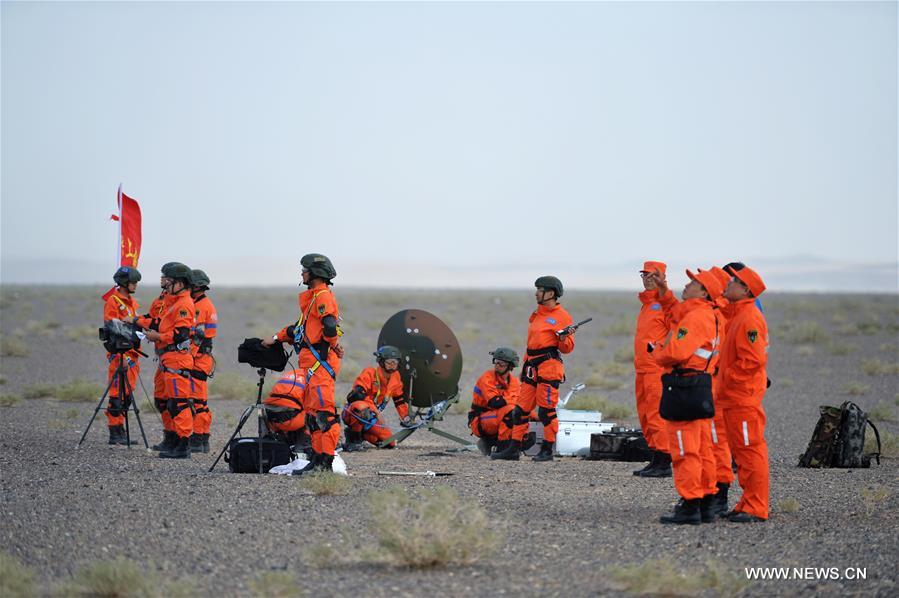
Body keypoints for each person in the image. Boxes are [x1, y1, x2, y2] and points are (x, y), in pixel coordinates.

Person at [651, 269, 723, 524]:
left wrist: (658, 352)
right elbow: (677, 313)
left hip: (685, 387)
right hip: (701, 387)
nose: (687, 284)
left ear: (704, 292)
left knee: (684, 449)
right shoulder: (710, 315)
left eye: (693, 282)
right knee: (703, 448)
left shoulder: (696, 319)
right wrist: (663, 292)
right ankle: (705, 503)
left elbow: (676, 353)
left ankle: (689, 505)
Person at [262, 254, 344, 472]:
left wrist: (332, 344)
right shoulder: (313, 299)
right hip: (313, 363)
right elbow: (299, 329)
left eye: (305, 269)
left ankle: (325, 463)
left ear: (316, 273)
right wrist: (277, 338)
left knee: (323, 414)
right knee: (313, 414)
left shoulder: (323, 297)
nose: (302, 273)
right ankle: (317, 460)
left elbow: (329, 326)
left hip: (320, 363)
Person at [492, 276, 576, 462]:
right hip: (532, 367)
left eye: (540, 289)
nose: (536, 292)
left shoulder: (562, 316)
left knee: (546, 411)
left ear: (551, 293)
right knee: (519, 410)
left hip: (549, 368)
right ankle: (514, 449)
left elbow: (568, 348)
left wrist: (563, 338)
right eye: (537, 289)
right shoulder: (537, 314)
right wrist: (525, 365)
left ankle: (547, 450)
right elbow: (531, 344)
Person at [718, 263, 770, 522]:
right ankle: (746, 501)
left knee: (750, 450)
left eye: (733, 281)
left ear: (745, 289)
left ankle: (756, 506)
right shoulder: (737, 314)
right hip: (733, 397)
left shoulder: (749, 318)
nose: (727, 284)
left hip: (742, 397)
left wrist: (727, 379)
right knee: (740, 451)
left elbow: (752, 360)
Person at [131, 262, 195, 459]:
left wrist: (158, 337)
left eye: (168, 280)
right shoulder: (172, 302)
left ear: (180, 283)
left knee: (179, 403)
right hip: (167, 358)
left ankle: (183, 445)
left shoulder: (184, 304)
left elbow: (180, 334)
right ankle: (172, 438)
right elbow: (159, 322)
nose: (164, 283)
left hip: (177, 358)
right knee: (164, 401)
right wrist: (136, 321)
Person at [632, 261, 672, 477]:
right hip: (643, 369)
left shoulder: (666, 304)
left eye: (652, 275)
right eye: (644, 275)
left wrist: (662, 354)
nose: (647, 279)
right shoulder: (647, 304)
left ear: (662, 277)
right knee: (646, 416)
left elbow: (676, 333)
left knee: (657, 415)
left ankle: (664, 462)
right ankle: (655, 458)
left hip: (657, 370)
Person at [341, 345, 410, 450]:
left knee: (389, 443)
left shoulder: (396, 377)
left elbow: (399, 400)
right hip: (353, 413)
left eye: (395, 362)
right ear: (381, 361)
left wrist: (406, 417)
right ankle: (353, 440)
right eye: (389, 362)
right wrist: (377, 412)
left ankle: (362, 434)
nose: (392, 365)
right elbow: (356, 396)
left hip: (372, 418)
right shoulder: (370, 373)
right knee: (361, 407)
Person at [102, 266, 142, 445]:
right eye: (133, 282)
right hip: (120, 354)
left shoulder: (132, 303)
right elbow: (112, 328)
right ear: (124, 283)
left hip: (133, 355)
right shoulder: (113, 301)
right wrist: (121, 357)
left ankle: (121, 431)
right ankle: (114, 432)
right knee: (117, 394)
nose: (135, 285)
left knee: (126, 394)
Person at [468, 348, 520, 456]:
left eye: (501, 364)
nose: (497, 365)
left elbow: (519, 404)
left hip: (498, 416)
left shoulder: (514, 382)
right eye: (496, 362)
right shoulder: (487, 378)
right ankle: (502, 448)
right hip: (480, 419)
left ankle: (489, 443)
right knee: (511, 411)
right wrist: (512, 400)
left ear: (510, 366)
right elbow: (495, 402)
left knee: (524, 416)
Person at [188, 269, 217, 453]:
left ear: (196, 287)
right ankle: (203, 438)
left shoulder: (201, 307)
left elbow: (197, 337)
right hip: (203, 358)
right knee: (200, 400)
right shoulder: (204, 304)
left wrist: (185, 357)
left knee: (198, 401)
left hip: (199, 358)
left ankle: (198, 438)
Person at [263, 368, 309, 449]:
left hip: (270, 419)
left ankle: (278, 441)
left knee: (297, 407)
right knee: (318, 413)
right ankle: (304, 446)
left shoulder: (291, 373)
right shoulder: (314, 379)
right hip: (290, 421)